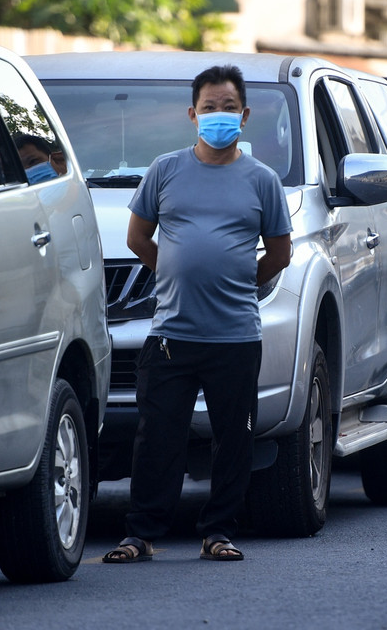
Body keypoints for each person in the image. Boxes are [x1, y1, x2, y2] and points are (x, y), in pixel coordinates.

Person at [104, 64, 292, 564]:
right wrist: (173, 272)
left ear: (244, 116)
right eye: (209, 107)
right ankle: (140, 534)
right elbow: (137, 238)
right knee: (157, 439)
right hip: (171, 334)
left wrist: (240, 282)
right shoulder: (165, 170)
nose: (218, 115)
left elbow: (280, 252)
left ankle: (219, 533)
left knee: (233, 441)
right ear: (193, 115)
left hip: (236, 336)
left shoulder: (262, 180)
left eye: (229, 107)